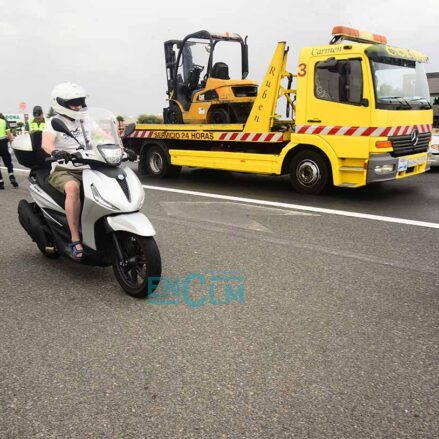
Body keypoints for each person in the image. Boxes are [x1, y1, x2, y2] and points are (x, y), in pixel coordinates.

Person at [42, 82, 97, 261]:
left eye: (80, 102)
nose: (79, 106)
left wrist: (121, 147)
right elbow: (46, 142)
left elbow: (103, 135)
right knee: (73, 188)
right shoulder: (54, 122)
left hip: (89, 165)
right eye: (74, 103)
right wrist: (55, 151)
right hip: (64, 168)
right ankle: (75, 238)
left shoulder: (86, 119)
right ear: (61, 103)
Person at [0, 113, 18, 189]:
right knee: (8, 162)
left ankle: (0, 182)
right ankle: (11, 176)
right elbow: (9, 133)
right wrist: (12, 144)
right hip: (3, 144)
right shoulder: (3, 121)